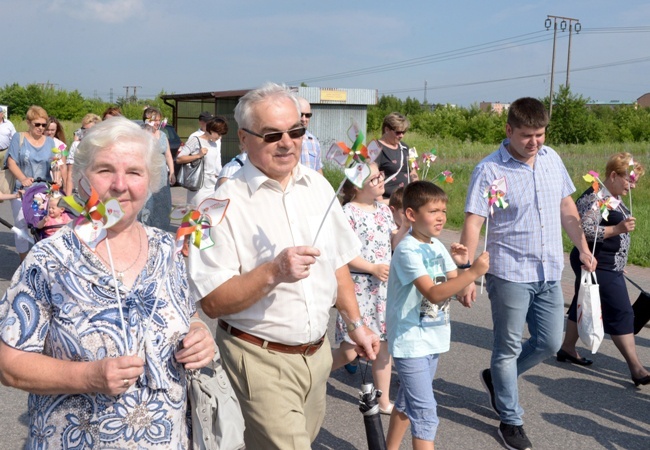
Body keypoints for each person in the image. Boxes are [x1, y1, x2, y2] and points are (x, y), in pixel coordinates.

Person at [0, 117, 216, 448]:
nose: (119, 184)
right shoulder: (50, 259)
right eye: (105, 170)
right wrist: (88, 377)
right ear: (83, 179)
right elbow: (10, 364)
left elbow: (189, 317)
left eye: (134, 172)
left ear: (151, 180)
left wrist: (199, 334)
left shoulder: (165, 248)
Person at [187, 82, 379, 449]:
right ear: (243, 139)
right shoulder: (213, 207)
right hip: (258, 359)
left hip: (317, 356)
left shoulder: (320, 187)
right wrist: (274, 272)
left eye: (297, 131)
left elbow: (337, 264)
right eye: (272, 134)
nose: (287, 142)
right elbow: (211, 301)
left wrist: (356, 325)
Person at [459, 97, 597, 450]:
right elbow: (474, 221)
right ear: (509, 130)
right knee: (506, 347)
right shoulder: (489, 170)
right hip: (508, 271)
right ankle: (510, 418)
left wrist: (582, 247)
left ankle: (498, 380)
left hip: (549, 269)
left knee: (550, 342)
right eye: (526, 135)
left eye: (540, 134)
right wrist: (466, 272)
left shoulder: (552, 160)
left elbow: (567, 207)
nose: (535, 142)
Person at [385, 181, 489, 450]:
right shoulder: (408, 250)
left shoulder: (436, 245)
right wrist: (473, 272)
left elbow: (455, 288)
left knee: (409, 403)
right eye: (433, 211)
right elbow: (433, 292)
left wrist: (464, 265)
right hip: (411, 342)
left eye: (443, 210)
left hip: (432, 338)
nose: (441, 217)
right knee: (425, 414)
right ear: (411, 215)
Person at [557, 153, 649, 386]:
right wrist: (618, 229)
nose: (633, 185)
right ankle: (637, 369)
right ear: (613, 175)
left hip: (609, 263)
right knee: (622, 312)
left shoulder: (613, 196)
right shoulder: (596, 196)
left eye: (635, 180)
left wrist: (619, 259)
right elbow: (583, 229)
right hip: (596, 263)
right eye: (630, 179)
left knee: (582, 300)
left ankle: (567, 348)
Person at [331, 163, 395, 413]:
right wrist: (371, 267)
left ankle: (384, 400)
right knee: (349, 351)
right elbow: (342, 254)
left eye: (380, 175)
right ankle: (314, 375)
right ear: (357, 187)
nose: (381, 181)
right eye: (374, 179)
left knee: (384, 346)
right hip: (359, 287)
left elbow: (392, 241)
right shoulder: (348, 213)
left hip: (383, 288)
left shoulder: (385, 210)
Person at [5, 105, 56, 260]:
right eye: (37, 124)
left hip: (42, 191)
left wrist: (58, 178)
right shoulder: (19, 138)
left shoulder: (50, 142)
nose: (41, 128)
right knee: (21, 226)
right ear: (29, 123)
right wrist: (23, 179)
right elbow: (11, 161)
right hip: (22, 191)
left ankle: (40, 261)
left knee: (42, 226)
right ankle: (23, 262)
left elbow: (55, 164)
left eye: (44, 124)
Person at [138, 107, 175, 231]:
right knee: (147, 204)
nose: (158, 123)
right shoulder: (141, 134)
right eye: (155, 120)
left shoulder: (163, 135)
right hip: (147, 174)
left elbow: (168, 154)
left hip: (162, 175)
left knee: (162, 205)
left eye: (159, 119)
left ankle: (160, 230)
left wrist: (172, 172)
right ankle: (145, 229)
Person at [177, 116, 227, 205]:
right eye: (219, 134)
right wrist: (198, 155)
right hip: (198, 185)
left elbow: (215, 163)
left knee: (209, 214)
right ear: (211, 130)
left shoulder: (214, 144)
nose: (220, 137)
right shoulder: (195, 140)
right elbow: (179, 159)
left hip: (212, 184)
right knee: (196, 215)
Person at [375, 112, 418, 201]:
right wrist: (381, 204)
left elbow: (413, 172)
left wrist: (417, 191)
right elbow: (372, 178)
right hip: (387, 201)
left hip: (406, 199)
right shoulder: (376, 148)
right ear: (387, 130)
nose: (401, 135)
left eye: (404, 132)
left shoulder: (405, 147)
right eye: (398, 132)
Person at [65, 113, 101, 194]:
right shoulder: (76, 145)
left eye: (89, 131)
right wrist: (68, 199)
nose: (85, 133)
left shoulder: (102, 147)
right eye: (83, 130)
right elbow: (70, 173)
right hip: (79, 192)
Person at [297, 97, 323, 174]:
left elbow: (318, 169)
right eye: (300, 114)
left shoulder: (314, 141)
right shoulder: (284, 140)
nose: (304, 119)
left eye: (307, 115)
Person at [45, 116, 68, 188]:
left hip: (55, 181)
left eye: (52, 130)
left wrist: (64, 183)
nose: (49, 132)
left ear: (56, 130)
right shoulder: (37, 143)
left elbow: (63, 165)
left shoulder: (62, 145)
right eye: (47, 130)